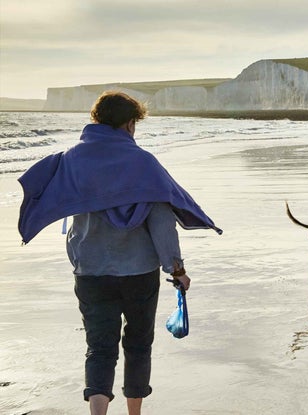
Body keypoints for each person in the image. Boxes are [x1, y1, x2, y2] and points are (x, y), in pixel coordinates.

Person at [17, 91, 222, 415]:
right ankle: (134, 413)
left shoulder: (71, 161)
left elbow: (66, 215)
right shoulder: (143, 164)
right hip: (139, 273)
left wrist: (79, 257)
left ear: (97, 120)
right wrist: (177, 270)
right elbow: (161, 223)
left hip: (91, 272)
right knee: (138, 346)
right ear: (129, 124)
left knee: (99, 349)